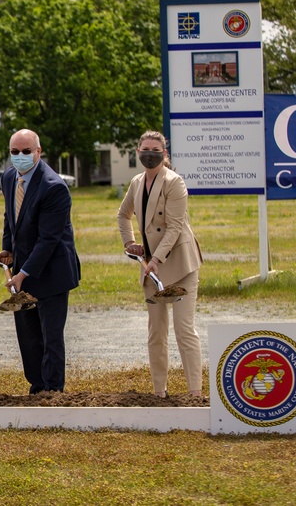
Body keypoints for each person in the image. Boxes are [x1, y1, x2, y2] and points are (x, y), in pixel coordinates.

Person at [117, 130, 203, 398]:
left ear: (165, 154)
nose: (150, 154)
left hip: (180, 265)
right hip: (151, 272)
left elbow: (175, 227)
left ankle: (195, 393)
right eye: (145, 149)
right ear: (138, 152)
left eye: (156, 150)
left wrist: (155, 258)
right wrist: (130, 244)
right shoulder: (136, 182)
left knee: (184, 330)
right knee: (156, 333)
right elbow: (123, 215)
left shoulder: (175, 183)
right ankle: (159, 393)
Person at [0, 129, 81, 394]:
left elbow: (48, 239)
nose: (20, 157)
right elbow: (10, 217)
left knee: (50, 335)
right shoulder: (10, 177)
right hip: (23, 268)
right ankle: (37, 386)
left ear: (38, 151)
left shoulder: (53, 187)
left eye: (26, 151)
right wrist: (7, 249)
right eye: (14, 152)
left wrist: (23, 274)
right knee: (29, 335)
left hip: (52, 270)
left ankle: (54, 391)